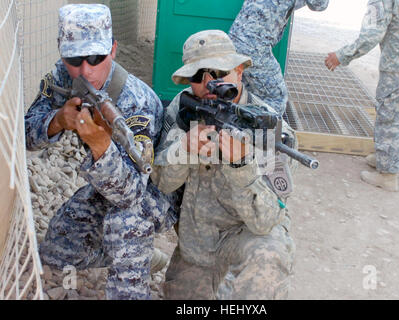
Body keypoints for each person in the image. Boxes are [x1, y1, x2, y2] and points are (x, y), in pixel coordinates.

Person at [24, 4, 176, 299]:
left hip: (155, 192)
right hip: (108, 183)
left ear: (114, 50)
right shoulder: (60, 77)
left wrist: (99, 142)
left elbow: (132, 193)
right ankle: (139, 255)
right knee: (56, 251)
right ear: (61, 51)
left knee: (124, 224)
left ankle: (133, 274)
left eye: (96, 57)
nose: (85, 70)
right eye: (74, 59)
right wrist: (57, 122)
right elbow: (26, 133)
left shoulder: (136, 102)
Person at [150, 30, 297, 299]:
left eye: (219, 73)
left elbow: (267, 220)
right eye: (198, 76)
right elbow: (161, 182)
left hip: (247, 238)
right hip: (197, 245)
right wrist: (184, 150)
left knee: (268, 257)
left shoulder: (271, 131)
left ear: (239, 71)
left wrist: (241, 166)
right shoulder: (184, 110)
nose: (208, 85)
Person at [324, 0, 399, 192]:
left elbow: (372, 35)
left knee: (389, 120)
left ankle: (387, 175)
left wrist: (342, 56)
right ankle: (384, 156)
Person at [229, 0, 329, 115]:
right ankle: (264, 132)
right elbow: (319, 4)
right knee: (276, 98)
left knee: (246, 93)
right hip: (254, 47)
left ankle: (235, 128)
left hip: (235, 39)